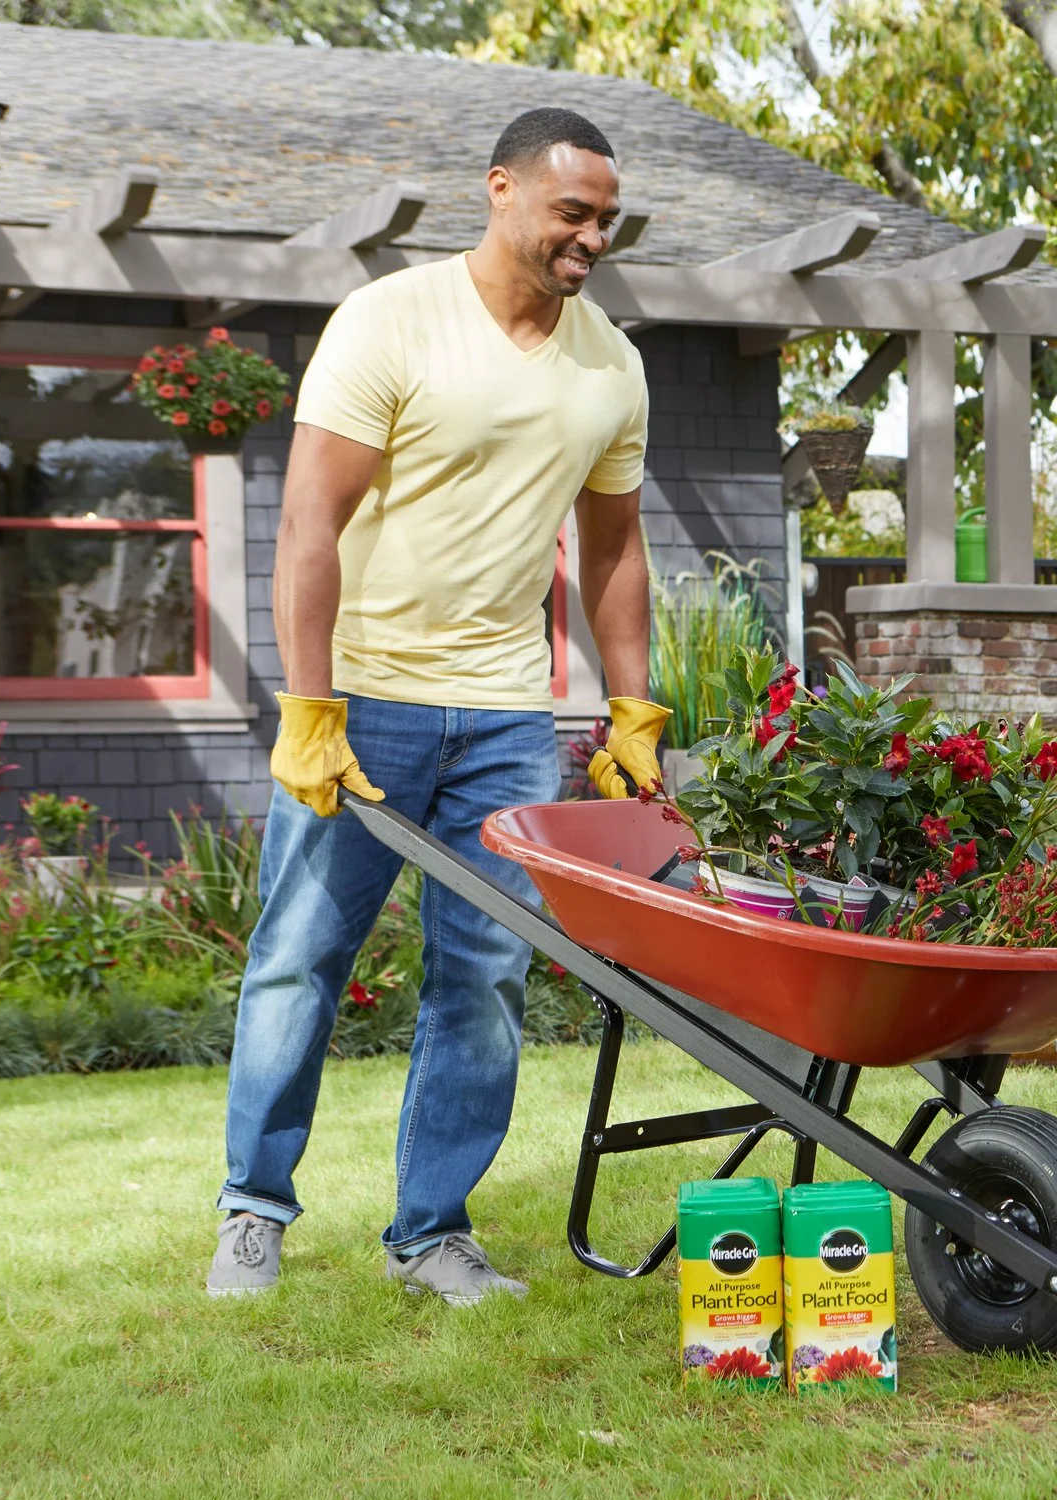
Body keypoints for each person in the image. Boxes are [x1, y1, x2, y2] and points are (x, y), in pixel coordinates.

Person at [208, 108, 673, 1303]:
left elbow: (615, 551)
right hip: (364, 696)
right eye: (573, 211)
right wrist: (309, 703)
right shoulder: (392, 320)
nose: (591, 236)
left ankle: (433, 1233)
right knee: (298, 958)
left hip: (509, 715)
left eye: (606, 219)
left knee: (485, 974)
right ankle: (253, 1211)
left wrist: (632, 711)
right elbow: (309, 519)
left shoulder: (609, 364)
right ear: (502, 189)